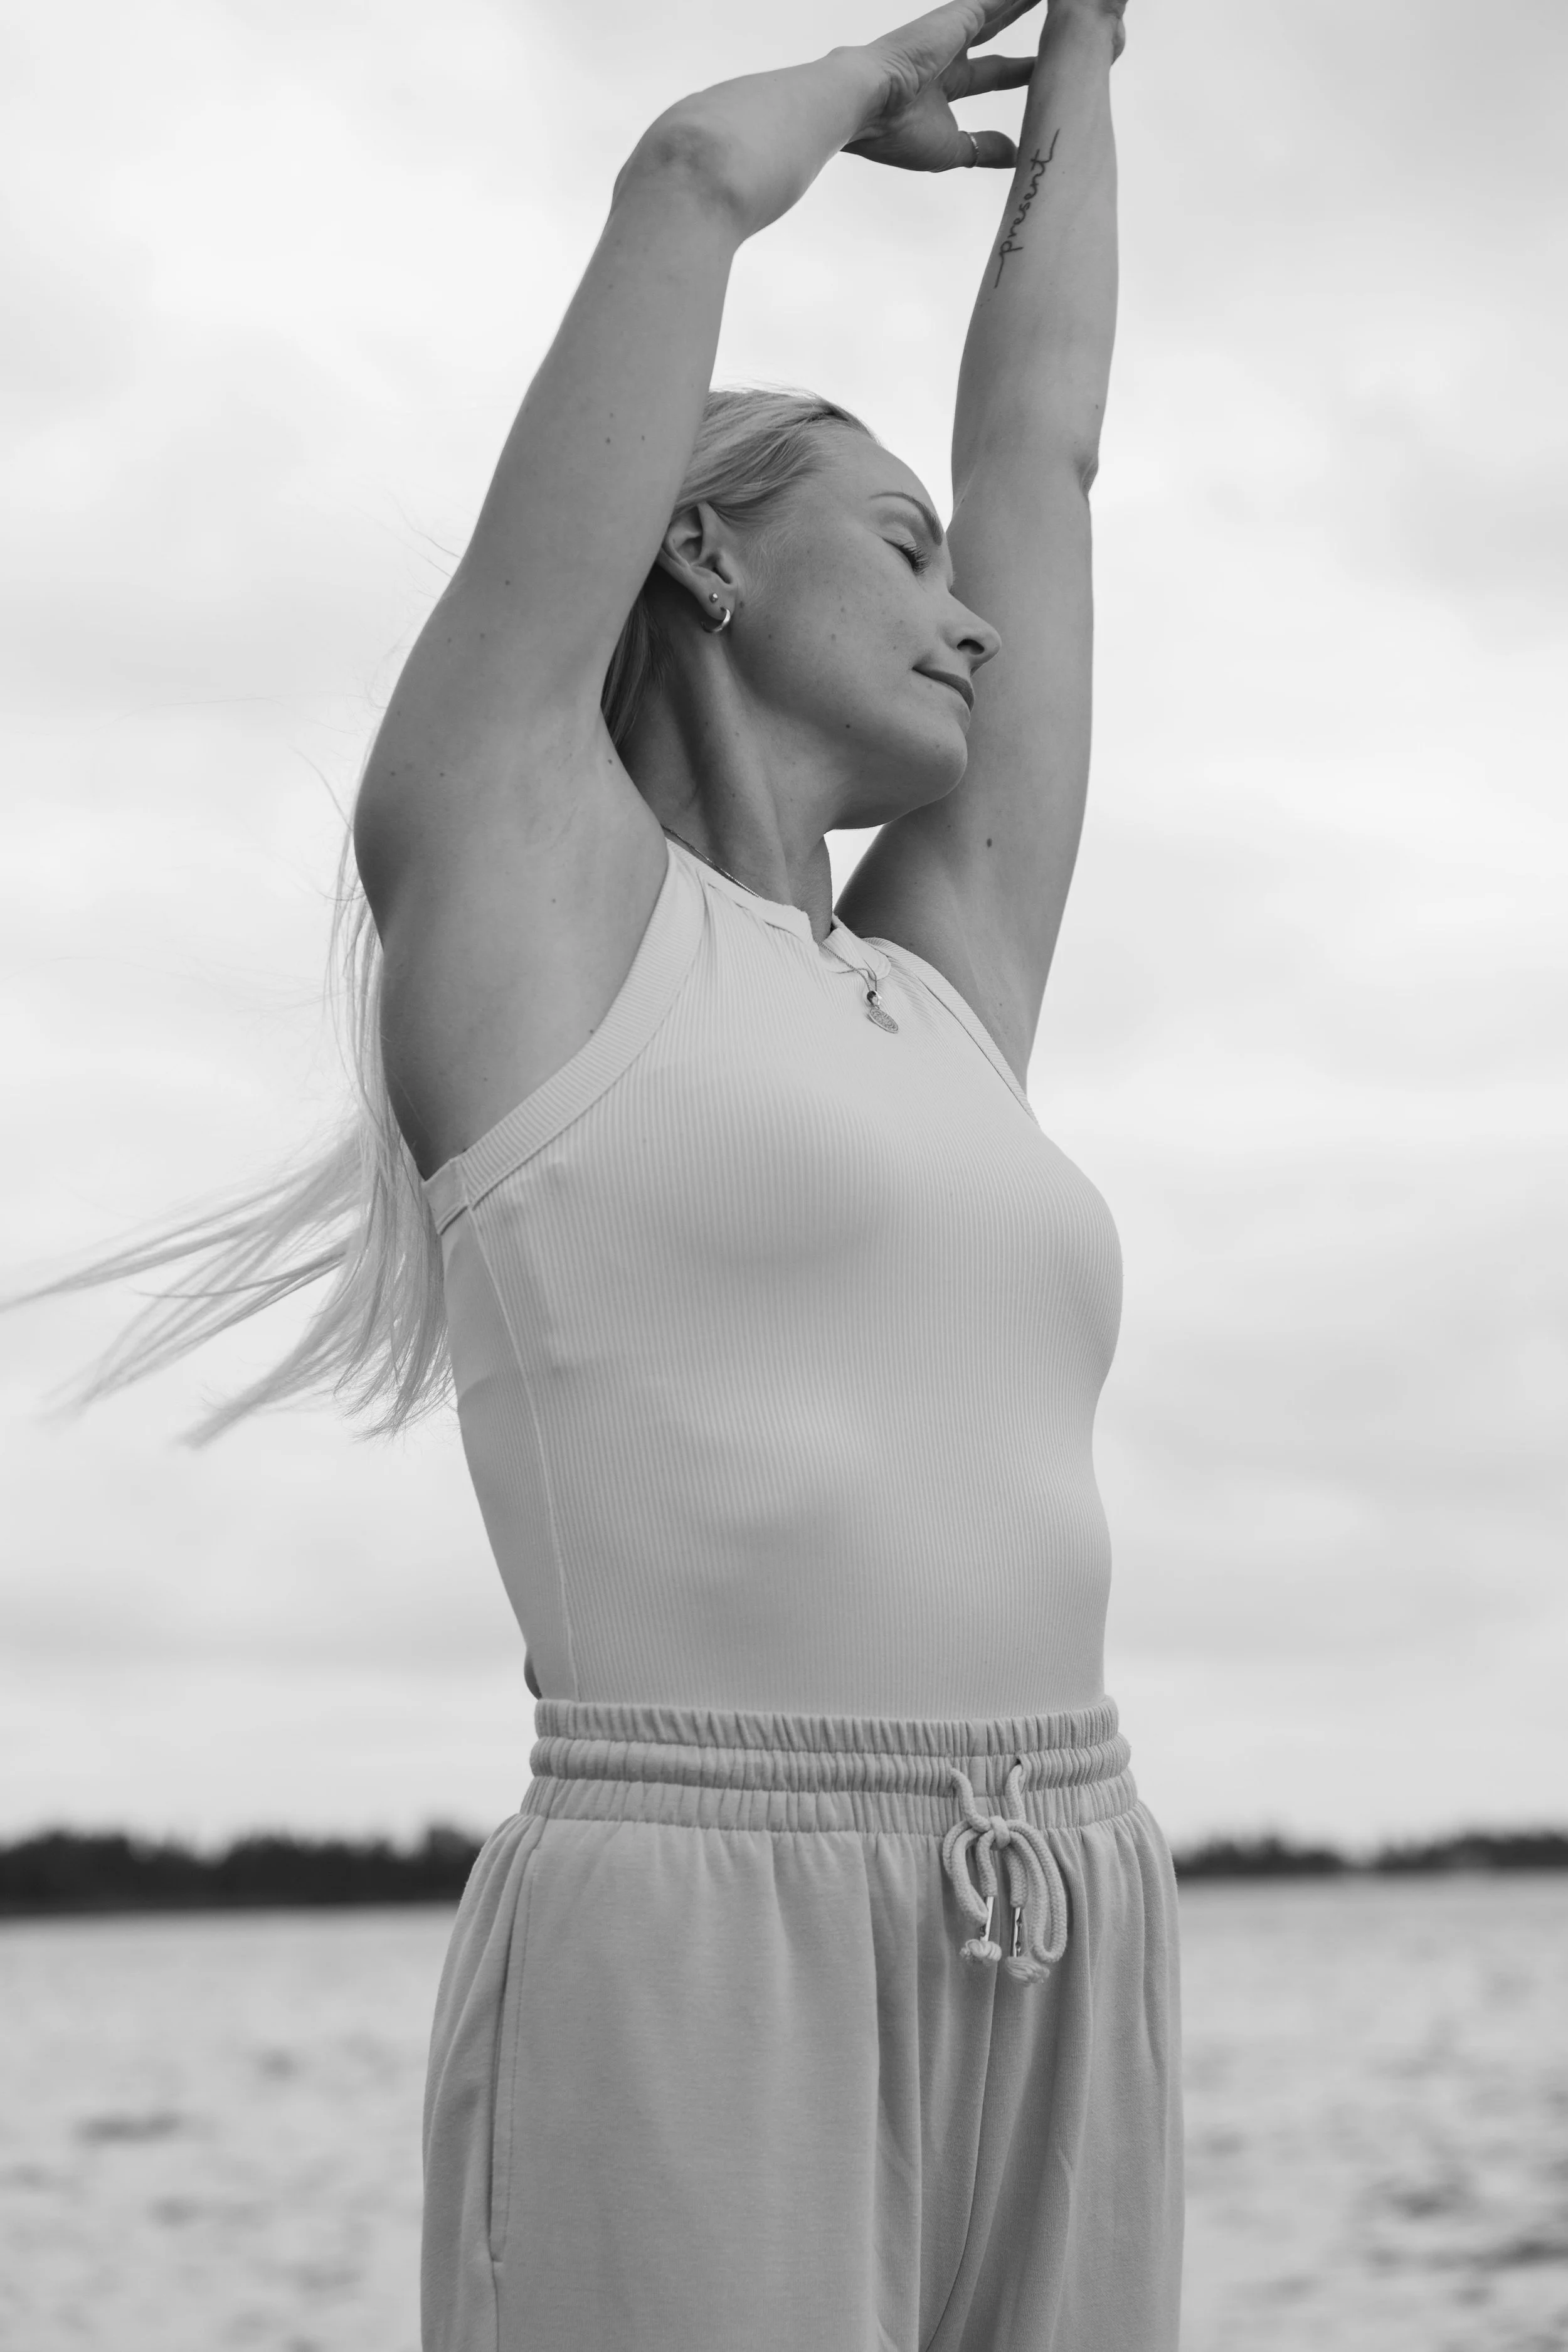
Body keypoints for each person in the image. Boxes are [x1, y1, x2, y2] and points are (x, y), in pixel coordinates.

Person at [23, 1, 1182, 2344]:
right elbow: (678, 177)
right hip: (698, 1919)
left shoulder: (939, 983)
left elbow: (1043, 458)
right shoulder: (532, 907)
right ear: (704, 559)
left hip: (1067, 1887)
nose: (970, 603)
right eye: (900, 545)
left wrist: (1088, 77)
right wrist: (869, 83)